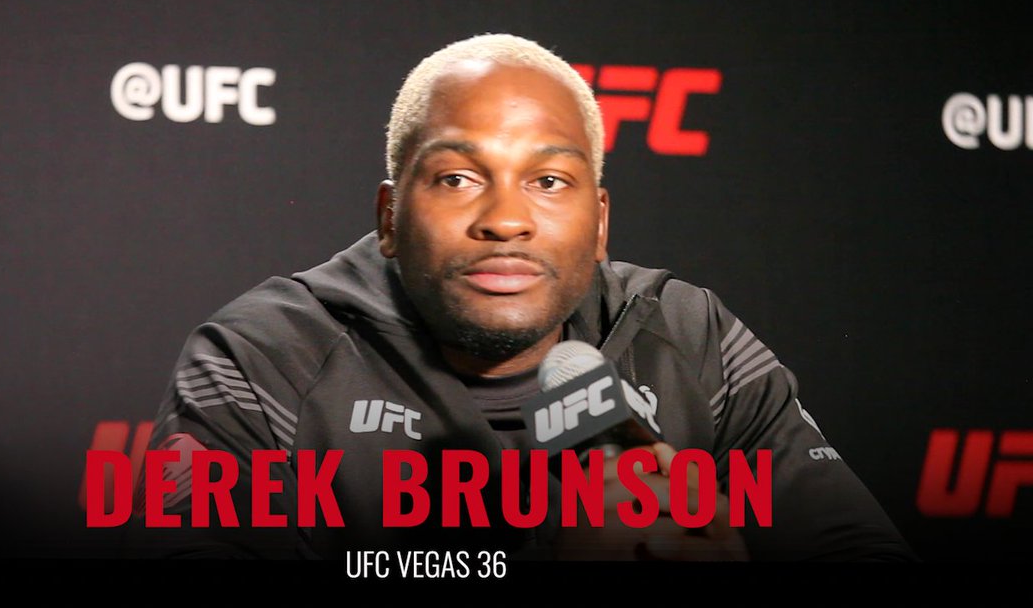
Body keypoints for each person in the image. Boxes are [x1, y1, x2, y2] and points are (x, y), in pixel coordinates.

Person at [132, 34, 916, 561]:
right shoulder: (261, 360)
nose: (506, 219)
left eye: (548, 180)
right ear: (390, 218)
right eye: (457, 178)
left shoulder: (690, 336)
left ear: (600, 222)